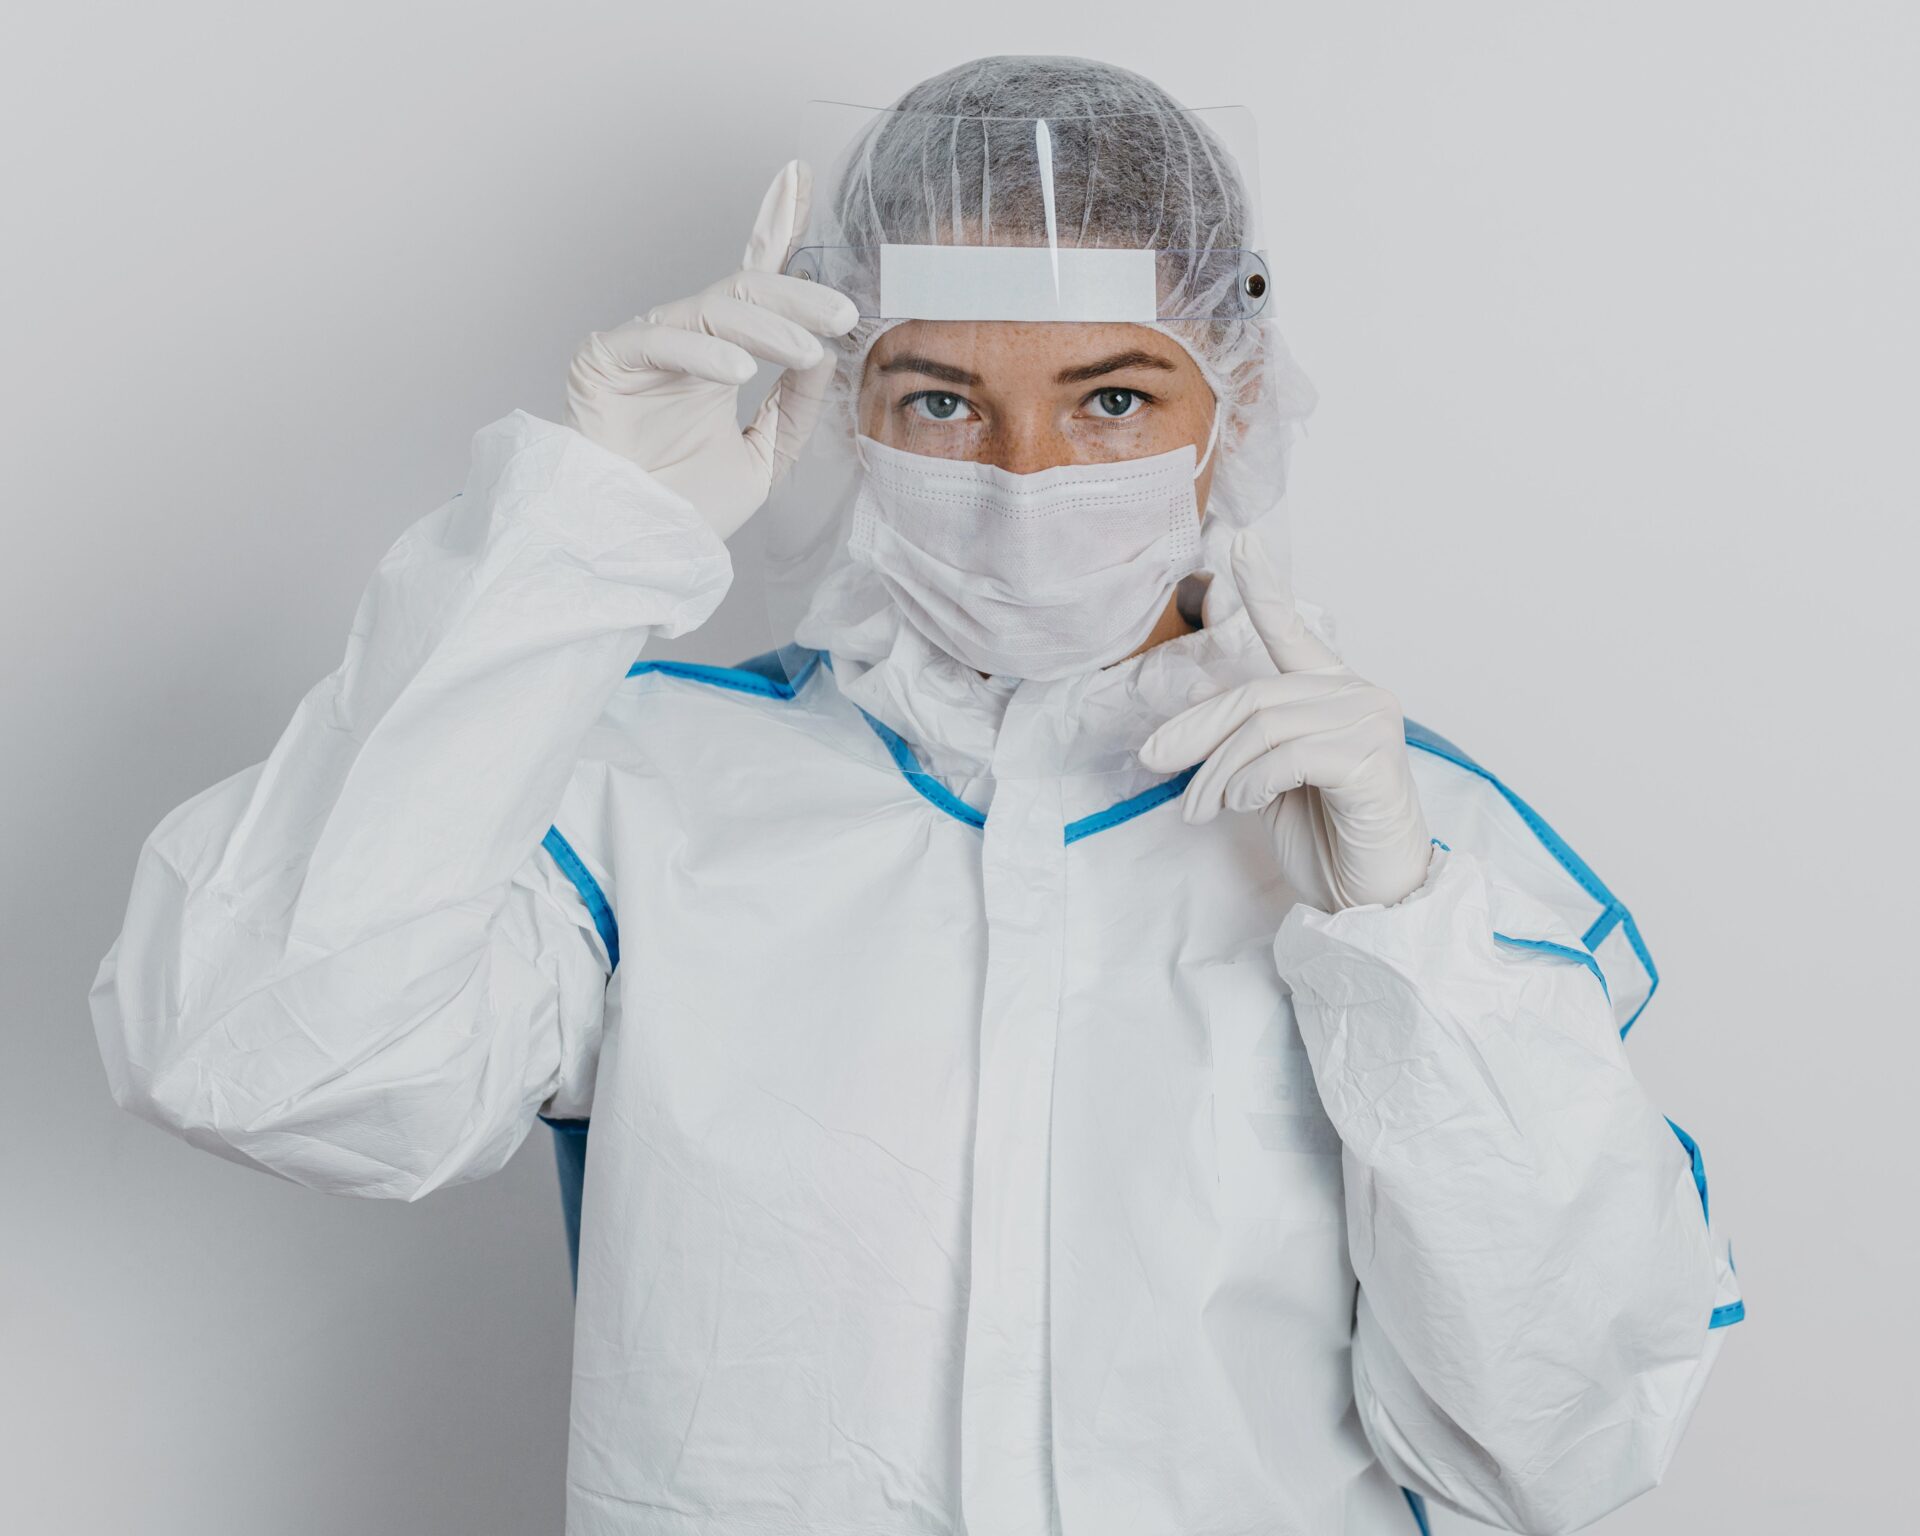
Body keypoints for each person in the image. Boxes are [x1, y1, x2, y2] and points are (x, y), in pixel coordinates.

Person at [90, 54, 1740, 1536]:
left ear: (1231, 401)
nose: (1024, 476)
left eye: (1112, 397)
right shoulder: (646, 791)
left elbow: (1555, 1445)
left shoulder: (1419, 847)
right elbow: (252, 1060)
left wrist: (1405, 946)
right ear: (847, 412)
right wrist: (574, 542)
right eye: (941, 399)